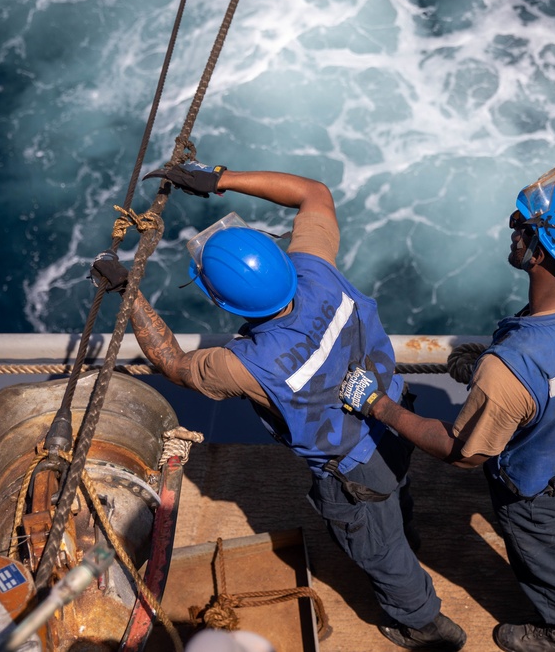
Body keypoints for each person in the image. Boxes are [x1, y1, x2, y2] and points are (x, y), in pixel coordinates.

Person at [91, 160, 466, 651]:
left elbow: (175, 365)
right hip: (394, 417)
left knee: (380, 550)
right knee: (395, 494)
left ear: (224, 302)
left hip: (353, 472)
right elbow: (314, 193)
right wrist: (218, 178)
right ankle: (405, 528)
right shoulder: (316, 269)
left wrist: (130, 294)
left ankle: (425, 624)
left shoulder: (242, 365)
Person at [339, 165, 555, 652]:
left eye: (522, 226)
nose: (512, 226)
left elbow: (463, 452)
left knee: (542, 551)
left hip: (538, 483)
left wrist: (377, 406)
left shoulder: (512, 369)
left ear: (540, 252)